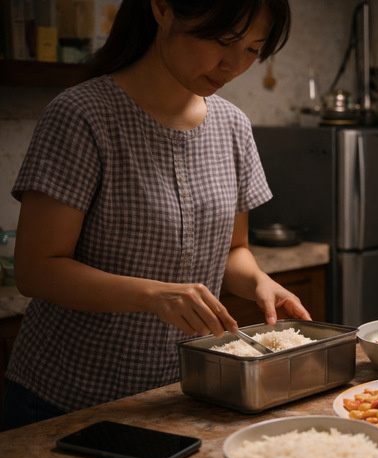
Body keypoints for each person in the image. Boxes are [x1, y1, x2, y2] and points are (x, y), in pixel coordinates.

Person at [2, 0, 309, 430]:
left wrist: (258, 281)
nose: (233, 65)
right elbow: (35, 271)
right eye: (223, 42)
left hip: (180, 393)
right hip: (69, 399)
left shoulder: (233, 126)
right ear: (163, 9)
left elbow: (232, 249)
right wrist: (153, 295)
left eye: (252, 50)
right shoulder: (83, 115)